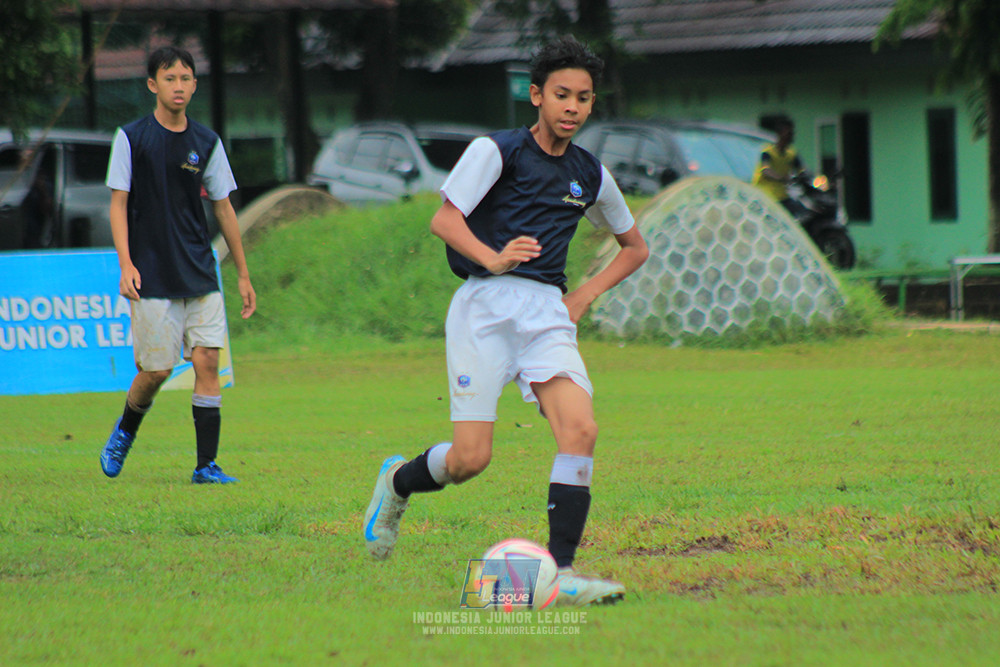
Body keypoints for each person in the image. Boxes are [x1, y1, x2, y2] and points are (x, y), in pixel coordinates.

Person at [362, 36, 649, 607]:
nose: (572, 107)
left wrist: (583, 295)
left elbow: (634, 247)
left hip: (546, 313)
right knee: (470, 460)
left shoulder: (590, 174)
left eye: (583, 98)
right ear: (537, 96)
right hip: (484, 310)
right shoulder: (497, 151)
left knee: (581, 430)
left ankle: (561, 572)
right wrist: (492, 258)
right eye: (562, 95)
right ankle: (396, 483)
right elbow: (445, 221)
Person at [100, 45, 256, 484]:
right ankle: (124, 431)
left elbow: (224, 208)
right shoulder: (131, 138)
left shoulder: (206, 142)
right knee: (157, 372)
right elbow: (118, 204)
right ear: (153, 84)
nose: (179, 86)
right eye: (170, 78)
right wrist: (126, 264)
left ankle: (206, 465)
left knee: (207, 360)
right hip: (151, 272)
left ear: (194, 84)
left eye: (185, 78)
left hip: (200, 270)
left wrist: (243, 274)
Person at [752, 117, 807, 218]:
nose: (791, 136)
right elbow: (766, 170)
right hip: (767, 195)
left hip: (782, 195)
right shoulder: (768, 151)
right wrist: (782, 178)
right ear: (779, 134)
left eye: (792, 133)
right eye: (788, 133)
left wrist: (806, 177)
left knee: (802, 211)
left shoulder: (791, 153)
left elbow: (802, 170)